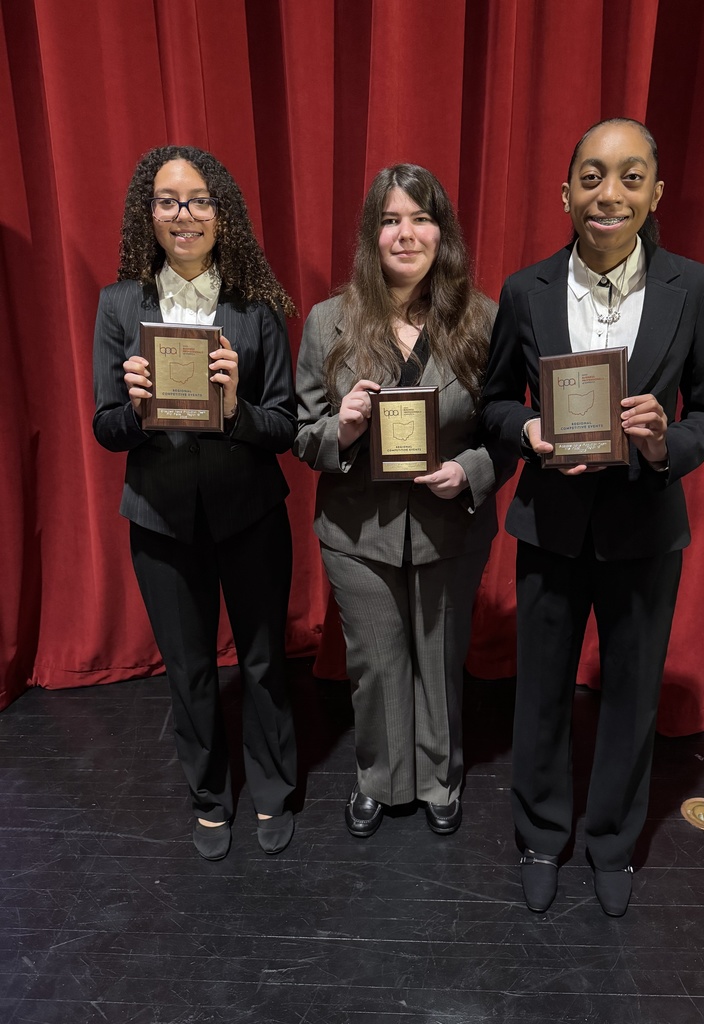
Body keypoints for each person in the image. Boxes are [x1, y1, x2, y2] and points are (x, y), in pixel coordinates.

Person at [481, 118, 704, 916]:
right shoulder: (526, 290)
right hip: (549, 525)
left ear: (656, 193)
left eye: (630, 177)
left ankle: (613, 845)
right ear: (565, 194)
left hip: (645, 530)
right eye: (591, 176)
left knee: (630, 692)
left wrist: (664, 444)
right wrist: (525, 430)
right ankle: (539, 835)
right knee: (543, 692)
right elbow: (492, 402)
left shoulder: (694, 288)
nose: (609, 193)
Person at [93, 146, 298, 860]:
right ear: (147, 214)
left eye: (200, 200)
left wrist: (237, 407)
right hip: (161, 520)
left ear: (223, 214)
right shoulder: (119, 305)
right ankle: (211, 796)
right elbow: (104, 426)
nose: (185, 215)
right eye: (169, 201)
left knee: (265, 659)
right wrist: (140, 409)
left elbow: (286, 426)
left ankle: (272, 788)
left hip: (252, 515)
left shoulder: (257, 306)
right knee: (189, 667)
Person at [294, 164, 498, 837]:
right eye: (389, 219)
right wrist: (343, 429)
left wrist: (471, 469)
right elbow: (301, 431)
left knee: (441, 658)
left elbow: (508, 427)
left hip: (450, 523)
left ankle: (441, 777)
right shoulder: (330, 322)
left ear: (443, 231)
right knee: (375, 661)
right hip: (358, 528)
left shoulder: (484, 319)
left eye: (419, 217)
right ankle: (378, 779)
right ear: (370, 234)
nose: (404, 233)